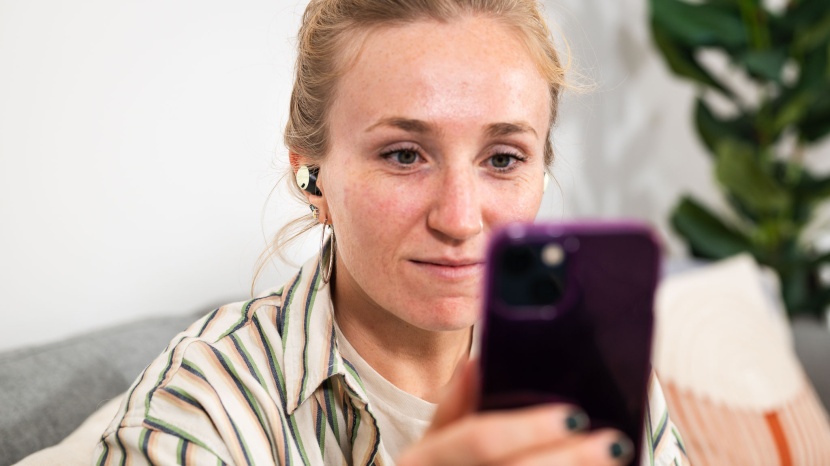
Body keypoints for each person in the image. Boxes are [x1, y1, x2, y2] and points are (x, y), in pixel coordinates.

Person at [94, 0, 690, 464]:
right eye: (404, 155)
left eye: (503, 159)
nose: (459, 219)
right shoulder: (200, 410)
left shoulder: (597, 369)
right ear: (313, 175)